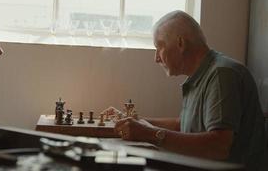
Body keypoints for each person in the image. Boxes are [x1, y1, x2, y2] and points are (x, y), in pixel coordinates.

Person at [113, 10, 266, 170]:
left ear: (181, 44)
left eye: (159, 47)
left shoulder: (222, 75)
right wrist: (138, 122)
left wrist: (150, 134)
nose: (156, 58)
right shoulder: (203, 74)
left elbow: (219, 146)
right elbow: (184, 125)